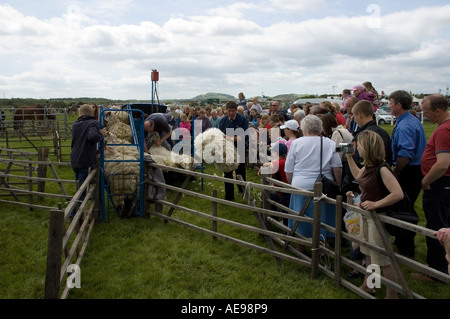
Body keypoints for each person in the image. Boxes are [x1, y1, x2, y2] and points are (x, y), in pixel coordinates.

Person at [345, 130, 403, 299]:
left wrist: (375, 204)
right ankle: (370, 285)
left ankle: (392, 295)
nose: (358, 149)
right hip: (367, 217)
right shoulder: (368, 166)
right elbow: (358, 176)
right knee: (369, 254)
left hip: (377, 218)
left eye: (360, 146)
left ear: (368, 147)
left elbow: (397, 193)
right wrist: (349, 156)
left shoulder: (382, 169)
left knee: (382, 259)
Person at [285, 115, 342, 246]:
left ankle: (300, 245)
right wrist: (337, 184)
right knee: (322, 216)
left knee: (301, 214)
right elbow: (337, 168)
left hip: (300, 184)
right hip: (323, 185)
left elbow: (289, 169)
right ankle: (321, 245)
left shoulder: (296, 143)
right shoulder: (329, 143)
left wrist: (291, 184)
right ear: (320, 128)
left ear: (304, 129)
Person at [411, 93, 450, 280]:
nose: (424, 115)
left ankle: (437, 272)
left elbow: (442, 163)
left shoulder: (444, 130)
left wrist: (426, 181)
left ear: (438, 110)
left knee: (437, 227)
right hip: (445, 185)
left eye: (426, 112)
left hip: (440, 186)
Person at [389, 90, 427, 258]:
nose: (389, 106)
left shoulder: (405, 125)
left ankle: (406, 249)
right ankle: (402, 241)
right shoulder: (409, 120)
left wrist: (396, 171)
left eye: (390, 103)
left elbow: (406, 153)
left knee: (404, 209)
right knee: (404, 206)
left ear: (398, 105)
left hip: (409, 171)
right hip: (412, 169)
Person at [70, 104, 107, 218]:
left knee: (79, 185)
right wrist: (102, 134)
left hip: (74, 158)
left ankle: (77, 211)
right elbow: (92, 137)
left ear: (80, 113)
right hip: (85, 159)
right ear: (92, 114)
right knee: (82, 189)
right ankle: (74, 214)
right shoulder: (93, 123)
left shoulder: (75, 124)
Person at [219, 101, 249, 201]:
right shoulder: (223, 120)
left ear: (236, 110)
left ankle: (242, 190)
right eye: (229, 111)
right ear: (226, 110)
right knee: (227, 172)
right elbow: (220, 135)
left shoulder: (243, 120)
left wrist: (230, 138)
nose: (231, 113)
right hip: (227, 150)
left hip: (239, 149)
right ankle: (229, 196)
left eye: (233, 111)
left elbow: (244, 136)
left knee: (240, 171)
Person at [258, 143, 290, 226]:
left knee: (285, 212)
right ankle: (274, 219)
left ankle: (287, 233)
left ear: (275, 153)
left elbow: (271, 165)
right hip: (281, 191)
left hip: (285, 192)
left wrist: (263, 166)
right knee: (272, 196)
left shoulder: (281, 162)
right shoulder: (284, 161)